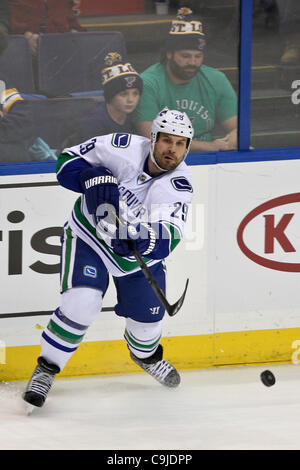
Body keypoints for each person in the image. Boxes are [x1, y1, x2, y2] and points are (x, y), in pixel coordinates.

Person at [22, 107, 195, 409]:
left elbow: (170, 233)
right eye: (167, 140)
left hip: (133, 258)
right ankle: (46, 369)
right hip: (88, 237)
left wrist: (143, 239)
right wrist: (89, 176)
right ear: (152, 138)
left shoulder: (178, 184)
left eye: (180, 143)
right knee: (81, 305)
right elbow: (66, 162)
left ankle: (146, 357)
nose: (173, 149)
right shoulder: (121, 148)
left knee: (147, 324)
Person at [133, 8, 238, 153]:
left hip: (210, 156)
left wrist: (235, 136)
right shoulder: (148, 82)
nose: (193, 62)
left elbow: (238, 127)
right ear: (169, 54)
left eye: (198, 56)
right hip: (163, 158)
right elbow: (152, 138)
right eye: (186, 56)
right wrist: (210, 147)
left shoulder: (217, 79)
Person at [63, 52, 143, 148]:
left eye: (135, 94)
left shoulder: (133, 118)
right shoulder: (94, 124)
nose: (131, 100)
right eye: (123, 94)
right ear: (111, 96)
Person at [8, 0, 84, 56]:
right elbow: (7, 22)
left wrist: (76, 34)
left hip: (63, 55)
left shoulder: (63, 2)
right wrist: (23, 36)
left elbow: (73, 24)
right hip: (26, 59)